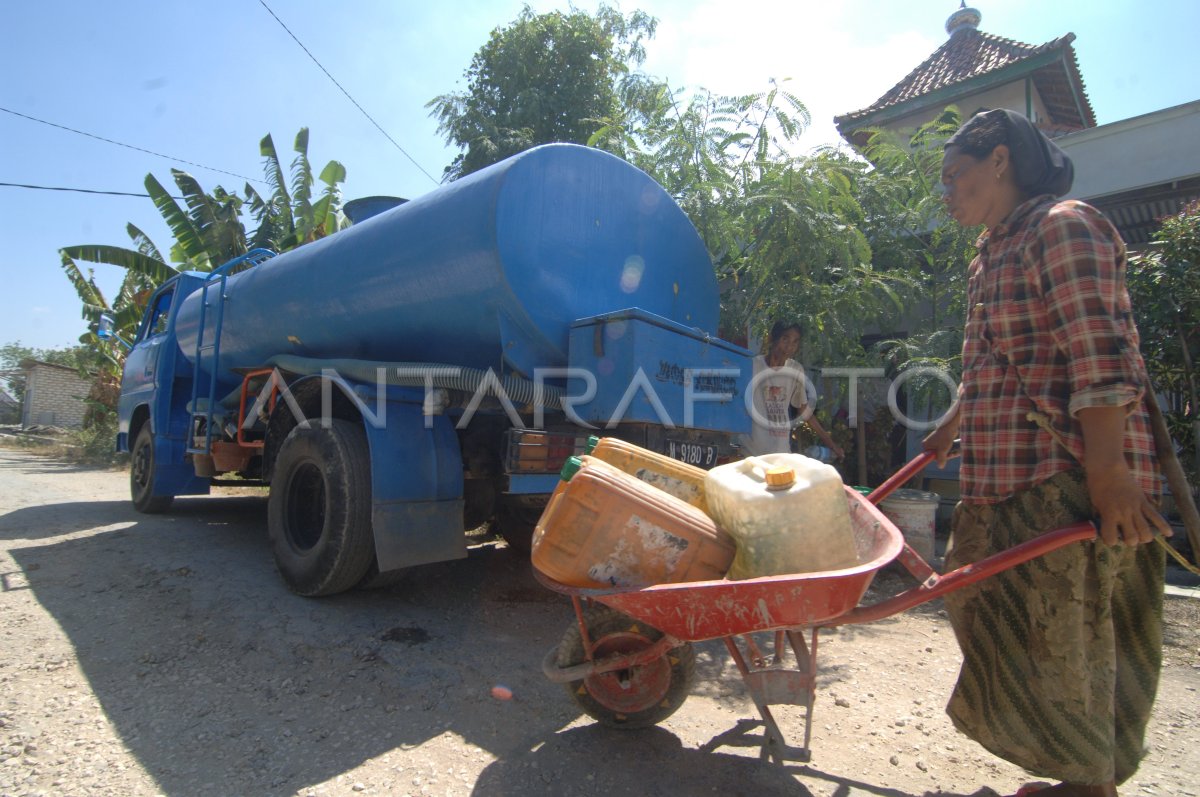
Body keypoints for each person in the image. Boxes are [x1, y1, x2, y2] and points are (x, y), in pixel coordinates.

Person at [923, 109, 1173, 797]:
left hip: (1064, 481)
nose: (945, 192)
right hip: (1003, 480)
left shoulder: (1062, 226)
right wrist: (951, 424)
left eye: (954, 177)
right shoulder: (990, 254)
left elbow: (1099, 356)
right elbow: (993, 365)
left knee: (1069, 635)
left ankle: (1090, 784)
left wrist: (1109, 471)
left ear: (999, 161)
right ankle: (1076, 771)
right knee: (992, 613)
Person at [742, 321, 845, 459]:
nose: (789, 347)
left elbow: (803, 410)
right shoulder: (752, 365)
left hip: (781, 452)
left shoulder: (795, 370)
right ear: (772, 338)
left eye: (795, 342)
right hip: (751, 453)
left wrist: (831, 444)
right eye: (785, 339)